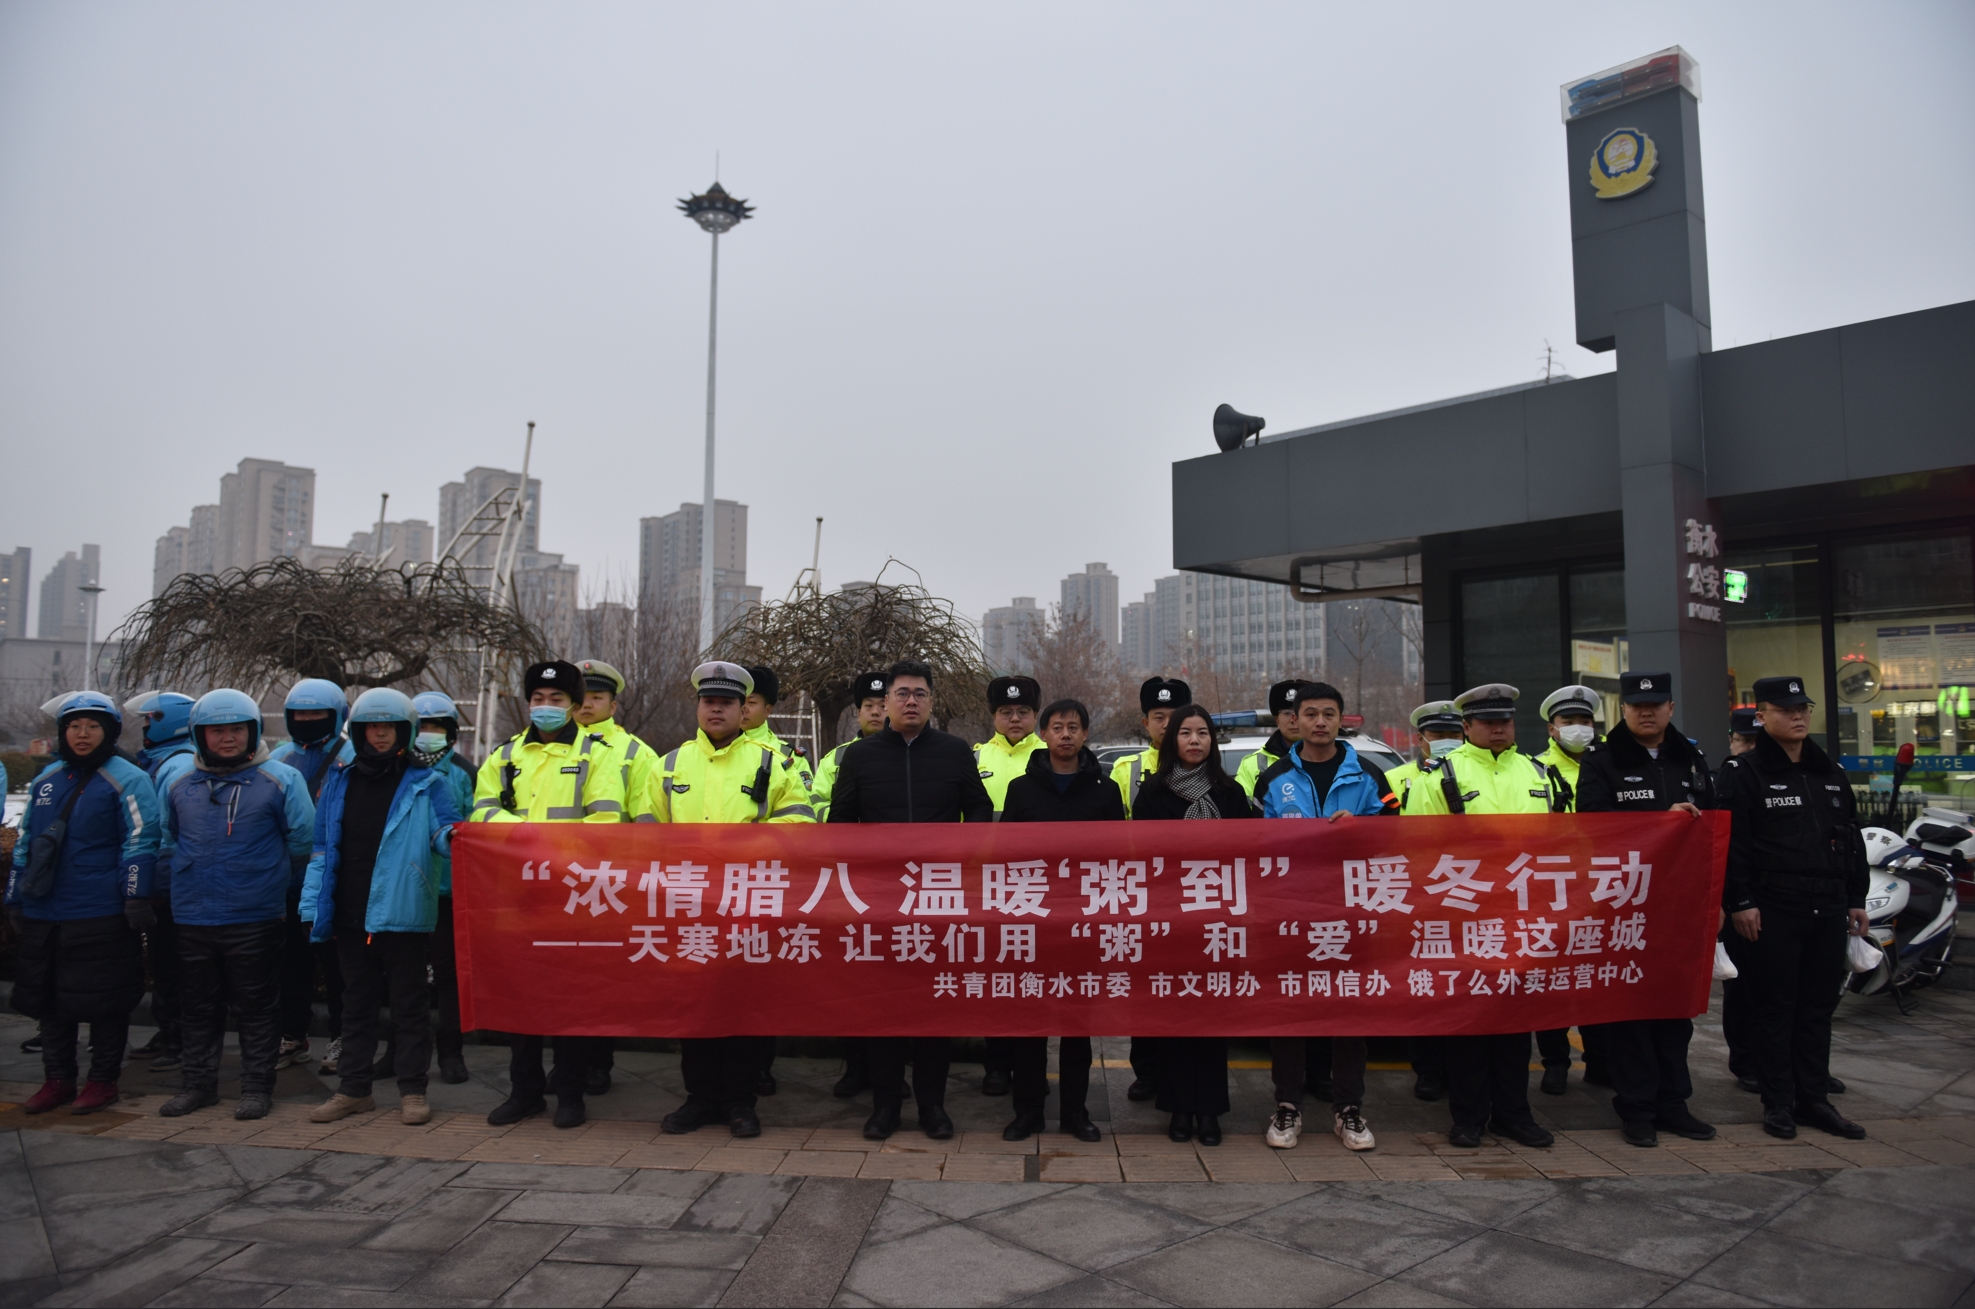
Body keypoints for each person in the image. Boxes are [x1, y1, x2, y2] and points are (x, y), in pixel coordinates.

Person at [829, 659, 995, 1142]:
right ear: (885, 703)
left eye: (920, 694)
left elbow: (979, 808)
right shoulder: (860, 757)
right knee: (882, 1006)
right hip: (879, 900)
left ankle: (932, 1106)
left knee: (933, 1004)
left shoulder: (954, 752)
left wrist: (960, 856)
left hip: (938, 897)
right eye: (901, 694)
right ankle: (885, 1106)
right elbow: (839, 821)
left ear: (931, 701)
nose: (910, 702)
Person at [652, 662, 816, 1140]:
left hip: (750, 901)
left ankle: (740, 1101)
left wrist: (744, 845)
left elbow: (801, 823)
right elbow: (646, 833)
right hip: (688, 903)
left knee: (745, 1003)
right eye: (709, 701)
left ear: (744, 709)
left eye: (727, 702)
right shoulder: (669, 765)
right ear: (698, 707)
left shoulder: (773, 762)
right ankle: (700, 1098)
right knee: (696, 1004)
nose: (716, 709)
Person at [472, 659, 629, 1129]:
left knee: (571, 999)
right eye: (538, 699)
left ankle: (570, 1093)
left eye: (556, 699)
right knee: (519, 997)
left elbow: (606, 821)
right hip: (516, 895)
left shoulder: (597, 756)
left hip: (572, 895)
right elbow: (481, 812)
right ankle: (524, 1092)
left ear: (574, 705)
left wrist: (541, 846)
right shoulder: (505, 757)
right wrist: (527, 837)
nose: (545, 706)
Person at [1401, 683, 1556, 1150]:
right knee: (1468, 1023)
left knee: (1514, 1023)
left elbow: (1564, 844)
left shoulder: (1539, 773)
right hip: (1463, 916)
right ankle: (1468, 1117)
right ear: (1467, 727)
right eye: (1487, 722)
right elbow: (1417, 851)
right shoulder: (1440, 777)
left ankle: (1514, 1114)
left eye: (1504, 720)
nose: (1498, 728)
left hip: (1523, 915)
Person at [1716, 674, 1869, 1142]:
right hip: (1773, 906)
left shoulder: (1829, 771)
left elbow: (1852, 838)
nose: (1798, 716)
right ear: (1762, 716)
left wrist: (1856, 898)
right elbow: (1732, 845)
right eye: (1786, 710)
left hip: (1827, 906)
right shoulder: (1744, 772)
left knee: (1817, 1009)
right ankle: (1778, 1102)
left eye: (1802, 708)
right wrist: (1740, 902)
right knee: (1775, 1008)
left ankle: (1814, 1099)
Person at [299, 689, 460, 1127]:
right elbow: (320, 849)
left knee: (409, 1008)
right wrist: (312, 906)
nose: (381, 734)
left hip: (404, 914)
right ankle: (353, 1091)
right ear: (359, 732)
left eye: (390, 726)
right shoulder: (339, 781)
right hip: (349, 914)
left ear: (405, 731)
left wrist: (455, 838)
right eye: (373, 726)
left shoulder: (429, 783)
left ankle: (413, 1091)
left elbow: (446, 832)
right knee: (356, 1006)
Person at [1574, 671, 1718, 1148]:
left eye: (1656, 704)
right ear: (1624, 710)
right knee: (1631, 1011)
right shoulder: (1602, 760)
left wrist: (1719, 899)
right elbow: (1591, 825)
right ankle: (1636, 1108)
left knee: (1676, 1010)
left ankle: (1674, 1103)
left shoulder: (1691, 758)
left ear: (1670, 708)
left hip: (1680, 904)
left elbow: (1715, 830)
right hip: (1625, 904)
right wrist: (1660, 823)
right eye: (1637, 705)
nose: (1647, 712)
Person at [158, 689, 316, 1121]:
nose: (227, 738)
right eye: (217, 731)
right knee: (197, 1006)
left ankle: (257, 1087)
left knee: (257, 1007)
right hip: (192, 915)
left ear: (253, 731)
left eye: (236, 729)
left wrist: (266, 877)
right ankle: (197, 1085)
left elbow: (302, 840)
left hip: (255, 914)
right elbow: (169, 837)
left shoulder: (281, 779)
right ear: (199, 735)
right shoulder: (179, 782)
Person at [1254, 682, 1393, 1153]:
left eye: (1328, 714)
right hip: (1290, 914)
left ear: (1340, 720)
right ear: (1294, 720)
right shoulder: (1273, 779)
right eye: (1310, 713)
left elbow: (1397, 838)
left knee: (1350, 1012)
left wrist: (1362, 831)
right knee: (1289, 1012)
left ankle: (1348, 1108)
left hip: (1351, 913)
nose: (1319, 722)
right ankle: (1287, 1106)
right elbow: (1252, 846)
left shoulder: (1369, 776)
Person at [8, 693, 162, 1115]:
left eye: (93, 726)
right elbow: (25, 842)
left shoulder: (129, 779)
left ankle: (102, 1081)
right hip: (44, 910)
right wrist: (15, 897)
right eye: (74, 726)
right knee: (49, 1000)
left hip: (99, 911)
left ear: (109, 732)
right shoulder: (46, 780)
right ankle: (57, 1080)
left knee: (106, 1001)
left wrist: (135, 896)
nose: (82, 734)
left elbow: (142, 840)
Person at [998, 697, 1125, 1142]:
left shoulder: (1105, 790)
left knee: (1077, 1026)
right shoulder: (1021, 788)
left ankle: (1075, 1111)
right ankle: (1028, 1110)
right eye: (1057, 727)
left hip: (1083, 924)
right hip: (1032, 921)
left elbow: (1118, 858)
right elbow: (1004, 855)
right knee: (1029, 1024)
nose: (1065, 735)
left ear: (1085, 734)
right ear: (1044, 734)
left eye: (1073, 727)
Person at [1132, 702, 1256, 1145]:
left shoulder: (1230, 792)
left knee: (1212, 1017)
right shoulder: (1153, 793)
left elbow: (1248, 853)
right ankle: (1179, 1108)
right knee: (1174, 1016)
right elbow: (1141, 858)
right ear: (1172, 740)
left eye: (1202, 733)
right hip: (1170, 920)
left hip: (1217, 920)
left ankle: (1210, 1111)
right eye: (1185, 733)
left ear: (1212, 741)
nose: (1194, 740)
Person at [571, 659, 658, 1096]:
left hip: (609, 884)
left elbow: (647, 822)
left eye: (597, 697)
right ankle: (563, 1066)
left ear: (613, 705)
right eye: (581, 698)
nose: (587, 705)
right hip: (551, 880)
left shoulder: (637, 753)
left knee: (599, 979)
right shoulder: (545, 746)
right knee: (558, 977)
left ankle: (597, 1063)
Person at [268, 678, 356, 1077]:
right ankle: (292, 1034)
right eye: (299, 714)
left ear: (337, 716)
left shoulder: (352, 755)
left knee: (339, 969)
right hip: (288, 879)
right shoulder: (279, 757)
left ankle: (342, 1037)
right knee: (290, 964)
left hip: (334, 880)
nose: (306, 720)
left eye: (316, 713)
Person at [1109, 675, 1188, 1102]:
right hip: (1140, 893)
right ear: (1145, 722)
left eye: (1175, 717)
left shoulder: (1205, 770)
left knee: (1184, 984)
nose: (1167, 725)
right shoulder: (1128, 770)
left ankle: (1181, 1071)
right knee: (1144, 985)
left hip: (1192, 893)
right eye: (1159, 717)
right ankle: (1147, 1070)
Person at [1531, 684, 1609, 1096]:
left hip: (1606, 886)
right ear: (1552, 728)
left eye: (1585, 721)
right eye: (1569, 721)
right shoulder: (1536, 769)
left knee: (1598, 977)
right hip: (1554, 888)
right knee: (1552, 980)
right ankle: (1556, 1061)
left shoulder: (1610, 763)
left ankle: (1601, 1059)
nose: (1578, 728)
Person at [1384, 701, 1463, 1103]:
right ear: (1421, 739)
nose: (1446, 741)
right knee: (1424, 987)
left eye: (1453, 734)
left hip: (1466, 896)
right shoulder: (1395, 778)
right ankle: (1427, 1070)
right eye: (1438, 735)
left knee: (1461, 987)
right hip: (1414, 896)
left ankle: (1457, 1068)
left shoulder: (1466, 772)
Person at [973, 674, 1045, 1095]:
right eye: (1005, 712)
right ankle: (996, 1064)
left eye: (1022, 711)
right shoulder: (974, 758)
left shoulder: (1052, 755)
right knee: (995, 980)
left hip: (1039, 886)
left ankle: (1032, 1066)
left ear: (1035, 715)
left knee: (1036, 980)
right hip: (988, 885)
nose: (1014, 719)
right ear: (994, 716)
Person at [127, 690, 197, 1070]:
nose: (143, 728)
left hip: (172, 881)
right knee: (165, 962)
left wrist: (158, 881)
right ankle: (168, 1031)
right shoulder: (166, 760)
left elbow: (167, 831)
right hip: (168, 878)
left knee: (172, 963)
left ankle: (178, 1038)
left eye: (148, 720)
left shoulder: (177, 764)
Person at [410, 691, 475, 1085]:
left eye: (436, 726)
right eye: (421, 726)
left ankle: (452, 1053)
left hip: (449, 892)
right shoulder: (397, 770)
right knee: (404, 977)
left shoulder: (465, 773)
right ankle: (400, 1052)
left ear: (451, 732)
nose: (428, 733)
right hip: (405, 892)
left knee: (449, 977)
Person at [813, 672, 889, 825]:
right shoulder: (835, 759)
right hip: (844, 838)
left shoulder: (906, 754)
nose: (875, 712)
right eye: (868, 706)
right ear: (859, 714)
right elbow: (815, 802)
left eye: (883, 706)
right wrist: (846, 817)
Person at [741, 666, 817, 799]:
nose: (743, 708)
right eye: (739, 701)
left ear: (768, 710)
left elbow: (805, 803)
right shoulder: (715, 749)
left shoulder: (789, 757)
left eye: (751, 702)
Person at [1234, 680, 1305, 804]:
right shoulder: (1251, 765)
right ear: (1277, 720)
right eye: (1287, 713)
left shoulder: (1330, 758)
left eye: (1300, 713)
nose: (1293, 720)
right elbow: (1242, 809)